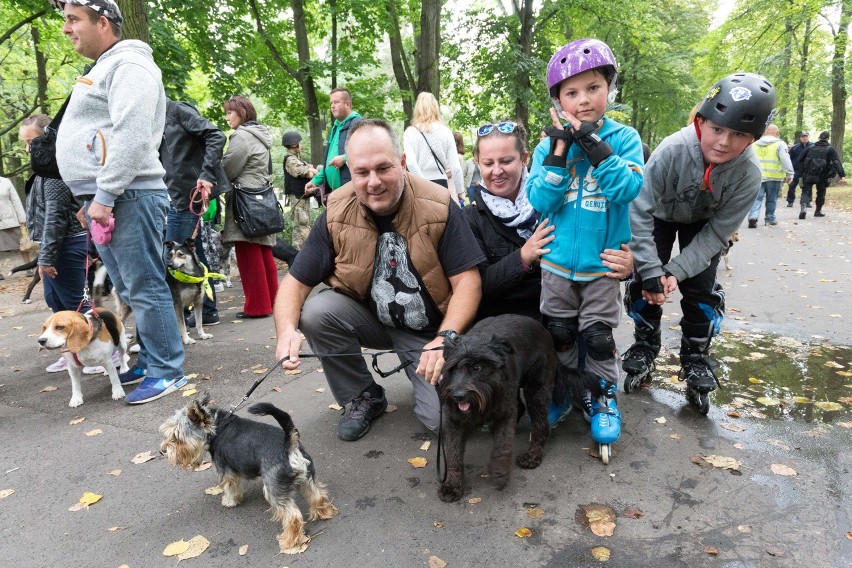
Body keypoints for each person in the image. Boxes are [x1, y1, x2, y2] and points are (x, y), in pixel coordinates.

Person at [274, 119, 484, 441]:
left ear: (401, 163)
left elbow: (468, 282)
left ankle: (428, 370)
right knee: (315, 312)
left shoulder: (439, 204)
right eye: (362, 172)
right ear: (351, 172)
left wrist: (445, 338)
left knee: (446, 422)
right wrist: (286, 330)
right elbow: (295, 284)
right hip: (372, 318)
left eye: (383, 168)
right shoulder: (336, 212)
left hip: (429, 332)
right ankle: (363, 395)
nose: (373, 182)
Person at [52, 0, 188, 404]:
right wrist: (90, 196)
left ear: (104, 22)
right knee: (128, 288)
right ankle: (152, 357)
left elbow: (130, 134)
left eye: (73, 20)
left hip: (128, 195)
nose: (66, 29)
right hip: (109, 197)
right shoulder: (106, 67)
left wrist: (106, 193)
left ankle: (167, 371)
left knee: (144, 286)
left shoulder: (129, 65)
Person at [622, 72, 777, 414]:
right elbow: (638, 209)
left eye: (739, 134)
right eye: (717, 129)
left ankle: (695, 355)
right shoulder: (671, 150)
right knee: (644, 283)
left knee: (701, 288)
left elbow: (718, 234)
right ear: (700, 121)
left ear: (753, 139)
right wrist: (650, 270)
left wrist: (676, 272)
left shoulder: (749, 173)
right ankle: (645, 345)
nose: (724, 142)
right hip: (658, 215)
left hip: (705, 222)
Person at [527, 39, 644, 440]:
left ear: (609, 89)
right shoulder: (547, 144)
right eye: (571, 92)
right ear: (558, 100)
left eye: (593, 88)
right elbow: (539, 199)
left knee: (596, 339)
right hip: (557, 263)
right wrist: (559, 151)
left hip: (602, 265)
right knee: (560, 334)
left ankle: (603, 397)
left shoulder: (625, 139)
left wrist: (594, 147)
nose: (583, 100)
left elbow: (625, 189)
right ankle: (565, 390)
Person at [465, 120, 634, 323]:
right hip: (504, 326)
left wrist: (625, 268)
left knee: (596, 342)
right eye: (488, 163)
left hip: (566, 319)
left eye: (506, 161)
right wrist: (523, 256)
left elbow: (596, 241)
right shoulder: (471, 217)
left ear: (524, 159)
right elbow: (478, 286)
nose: (497, 171)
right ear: (478, 163)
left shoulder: (556, 194)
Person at [19, 115, 90, 372]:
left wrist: (46, 256)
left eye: (33, 141)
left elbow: (56, 217)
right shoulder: (41, 174)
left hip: (68, 243)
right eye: (26, 144)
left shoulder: (54, 173)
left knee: (77, 305)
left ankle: (98, 352)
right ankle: (69, 350)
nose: (29, 149)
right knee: (55, 302)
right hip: (51, 246)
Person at [160, 99, 230, 327]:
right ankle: (207, 310)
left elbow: (216, 135)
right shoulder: (153, 116)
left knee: (173, 257)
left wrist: (206, 174)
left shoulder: (176, 110)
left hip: (187, 195)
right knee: (193, 252)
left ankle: (176, 318)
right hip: (174, 195)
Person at [221, 95, 278, 318]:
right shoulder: (260, 135)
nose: (227, 118)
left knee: (248, 253)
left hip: (245, 200)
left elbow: (228, 169)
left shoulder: (242, 137)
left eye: (229, 113)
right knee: (264, 251)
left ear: (242, 112)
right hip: (261, 197)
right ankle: (273, 302)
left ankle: (257, 307)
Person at [402, 92, 464, 205]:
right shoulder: (446, 131)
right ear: (436, 108)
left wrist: (423, 184)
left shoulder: (409, 132)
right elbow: (456, 168)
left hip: (420, 186)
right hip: (442, 185)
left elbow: (410, 163)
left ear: (417, 109)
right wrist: (460, 191)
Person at [305, 88, 361, 201]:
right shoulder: (334, 129)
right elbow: (328, 166)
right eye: (331, 103)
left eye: (336, 102)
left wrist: (345, 158)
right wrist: (315, 181)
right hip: (335, 194)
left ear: (348, 104)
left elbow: (367, 152)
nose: (332, 106)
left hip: (352, 193)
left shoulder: (358, 124)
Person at [747, 124, 793, 227]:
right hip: (774, 176)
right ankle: (769, 218)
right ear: (777, 133)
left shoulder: (754, 143)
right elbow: (785, 159)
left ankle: (753, 216)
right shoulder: (780, 144)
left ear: (763, 132)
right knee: (771, 199)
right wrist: (790, 173)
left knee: (756, 198)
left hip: (757, 176)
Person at [796, 130, 846, 219]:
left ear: (819, 138)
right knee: (821, 193)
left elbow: (799, 159)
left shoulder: (810, 147)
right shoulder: (830, 149)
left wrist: (800, 172)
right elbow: (836, 162)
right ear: (828, 138)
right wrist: (842, 175)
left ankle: (803, 208)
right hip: (822, 175)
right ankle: (818, 211)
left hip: (808, 173)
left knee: (805, 191)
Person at [281, 130, 319, 249]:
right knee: (301, 227)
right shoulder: (290, 160)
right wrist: (312, 170)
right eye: (299, 143)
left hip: (302, 197)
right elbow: (308, 173)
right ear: (293, 145)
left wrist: (311, 169)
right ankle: (298, 255)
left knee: (304, 224)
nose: (300, 145)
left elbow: (311, 168)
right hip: (297, 198)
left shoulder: (297, 159)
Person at [0, 177, 30, 278]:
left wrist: (22, 219)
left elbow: (16, 200)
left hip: (10, 219)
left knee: (22, 245)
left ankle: (28, 268)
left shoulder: (5, 181)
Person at [786, 131, 812, 207]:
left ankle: (807, 201)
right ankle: (790, 201)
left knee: (808, 187)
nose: (804, 138)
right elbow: (789, 158)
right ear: (800, 138)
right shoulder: (795, 147)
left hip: (807, 170)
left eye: (806, 136)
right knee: (792, 186)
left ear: (808, 137)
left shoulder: (812, 146)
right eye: (803, 137)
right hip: (796, 170)